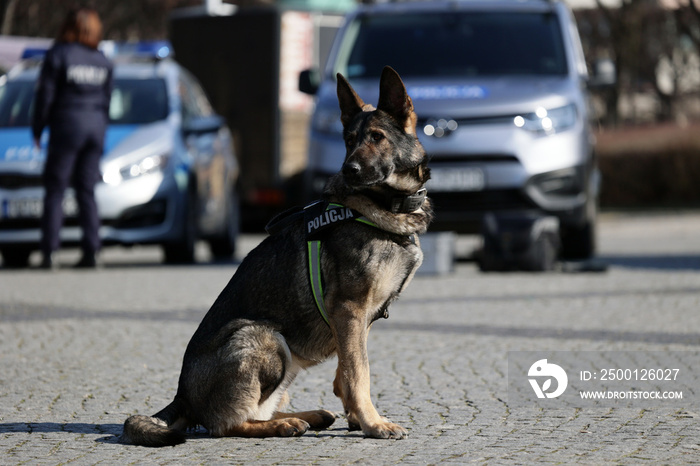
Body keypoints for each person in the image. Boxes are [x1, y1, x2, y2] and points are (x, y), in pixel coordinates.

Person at [32, 7, 113, 269]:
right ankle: (92, 251)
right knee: (86, 191)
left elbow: (45, 97)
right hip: (96, 129)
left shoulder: (59, 55)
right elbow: (107, 100)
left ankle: (49, 253)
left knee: (55, 190)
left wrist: (37, 128)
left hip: (67, 127)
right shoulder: (102, 60)